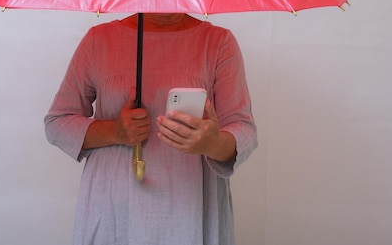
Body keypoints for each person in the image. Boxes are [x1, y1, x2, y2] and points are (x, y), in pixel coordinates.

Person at [44, 13, 257, 245]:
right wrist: (115, 131)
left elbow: (244, 129)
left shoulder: (218, 42)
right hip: (114, 210)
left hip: (190, 208)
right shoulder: (99, 40)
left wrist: (212, 143)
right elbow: (58, 123)